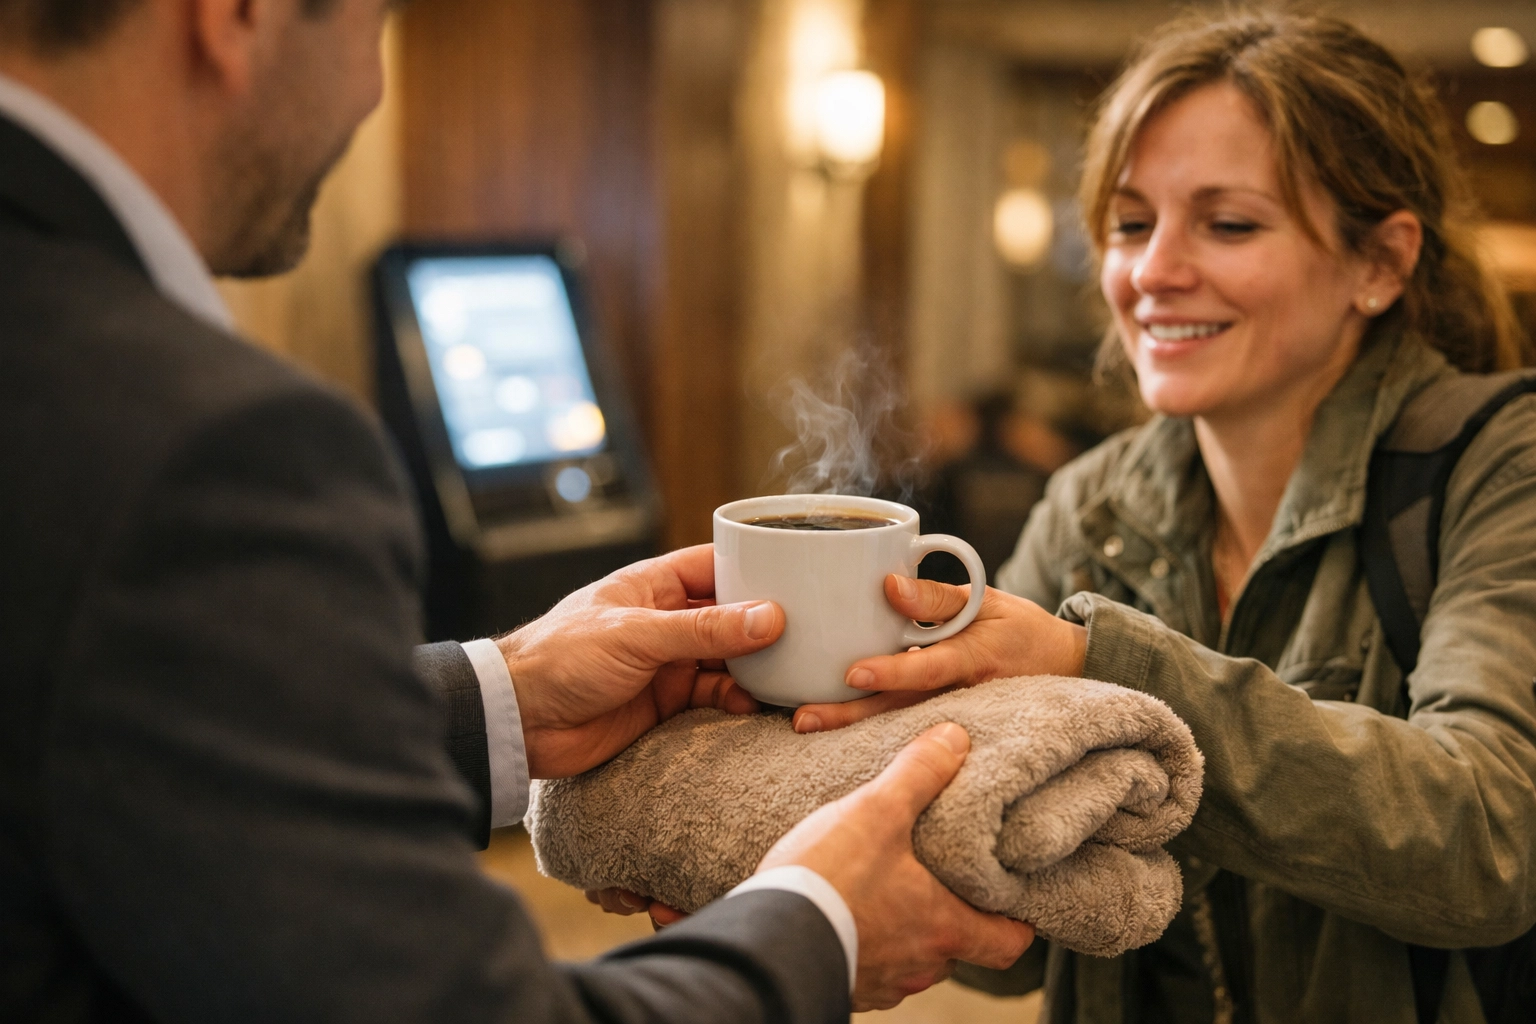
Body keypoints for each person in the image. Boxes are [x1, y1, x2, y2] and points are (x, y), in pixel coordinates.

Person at [0, 1, 1033, 1021]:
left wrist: (505, 693)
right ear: (239, 14)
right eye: (377, 24)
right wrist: (821, 923)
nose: (371, 90)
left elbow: (123, 739)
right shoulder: (210, 443)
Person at [789, 11, 1536, 1024]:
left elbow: (1491, 842)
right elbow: (1009, 953)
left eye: (1229, 225)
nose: (1151, 272)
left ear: (1380, 263)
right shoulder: (1090, 505)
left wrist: (1096, 672)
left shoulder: (1503, 466)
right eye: (1133, 224)